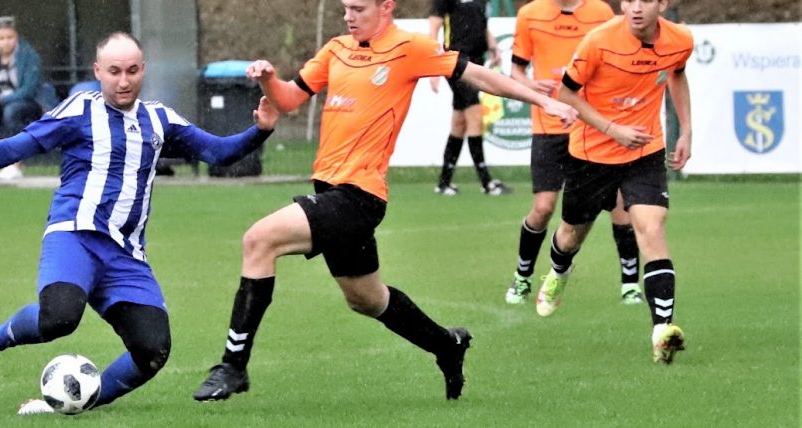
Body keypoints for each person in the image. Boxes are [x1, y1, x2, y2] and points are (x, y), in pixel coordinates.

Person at [193, 0, 577, 402]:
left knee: (259, 239)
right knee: (365, 298)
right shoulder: (336, 49)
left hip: (359, 196)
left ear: (386, 7)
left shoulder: (410, 48)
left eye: (358, 8)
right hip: (330, 192)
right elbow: (288, 99)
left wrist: (545, 102)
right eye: (346, 8)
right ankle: (447, 345)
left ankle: (233, 365)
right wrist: (269, 80)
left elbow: (480, 76)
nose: (349, 16)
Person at [0, 32, 279, 414]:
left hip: (125, 254)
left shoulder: (160, 119)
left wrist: (261, 130)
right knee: (58, 319)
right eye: (114, 71)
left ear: (143, 70)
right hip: (75, 235)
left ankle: (75, 403)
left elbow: (218, 152)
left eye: (132, 71)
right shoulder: (79, 111)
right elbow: (17, 146)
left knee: (153, 350)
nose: (124, 81)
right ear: (97, 71)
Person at [534, 0, 692, 364]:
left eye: (645, 0)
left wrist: (686, 131)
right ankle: (558, 271)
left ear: (662, 4)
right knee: (571, 235)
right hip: (591, 154)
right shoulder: (599, 41)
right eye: (629, 0)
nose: (635, 8)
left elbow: (677, 75)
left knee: (652, 229)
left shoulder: (680, 39)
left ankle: (662, 331)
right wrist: (612, 128)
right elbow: (565, 93)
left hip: (644, 150)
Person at [505, 0, 645, 306]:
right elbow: (516, 70)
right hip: (549, 125)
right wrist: (531, 85)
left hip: (592, 126)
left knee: (621, 206)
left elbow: (616, 60)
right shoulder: (530, 14)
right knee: (543, 208)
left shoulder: (601, 13)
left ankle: (630, 284)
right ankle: (522, 276)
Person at [428, 0, 509, 196]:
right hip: (455, 62)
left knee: (459, 123)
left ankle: (444, 182)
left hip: (477, 62)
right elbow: (434, 27)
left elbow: (482, 24)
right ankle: (486, 182)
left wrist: (493, 47)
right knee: (475, 117)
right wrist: (432, 67)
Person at [0, 16, 44, 180]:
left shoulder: (29, 55)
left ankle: (14, 164)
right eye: (1, 38)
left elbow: (28, 90)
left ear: (16, 36)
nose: (6, 42)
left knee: (12, 112)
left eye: (10, 37)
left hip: (28, 104)